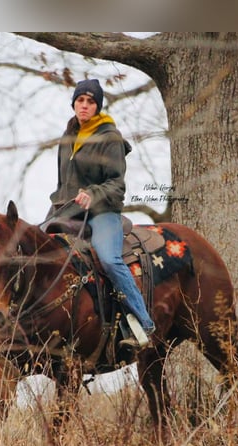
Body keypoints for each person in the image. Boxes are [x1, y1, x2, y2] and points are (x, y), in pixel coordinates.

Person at [46, 78, 155, 348]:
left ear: (98, 106)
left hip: (103, 212)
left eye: (90, 101)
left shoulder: (109, 137)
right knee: (32, 250)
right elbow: (63, 184)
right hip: (65, 211)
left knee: (108, 259)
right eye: (80, 100)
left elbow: (116, 183)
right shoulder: (68, 136)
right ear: (73, 103)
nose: (84, 105)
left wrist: (92, 194)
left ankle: (143, 321)